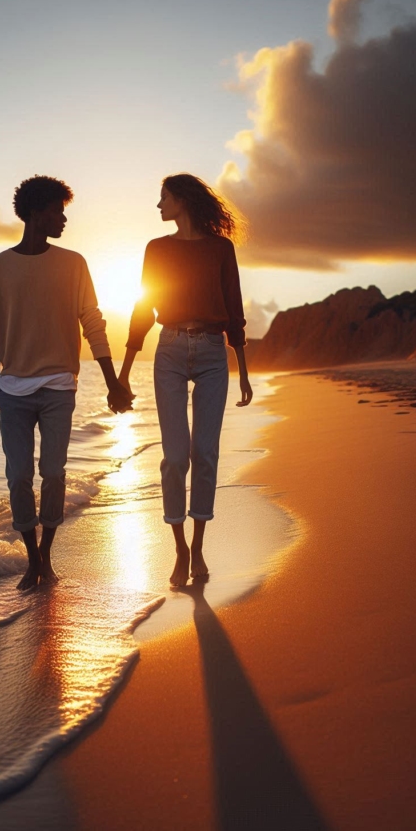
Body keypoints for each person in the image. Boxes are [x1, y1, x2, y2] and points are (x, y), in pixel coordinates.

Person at [0, 174, 132, 591]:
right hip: (13, 390)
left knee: (53, 472)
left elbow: (92, 321)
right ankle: (31, 559)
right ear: (34, 212)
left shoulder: (73, 263)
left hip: (60, 386)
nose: (63, 219)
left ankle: (47, 555)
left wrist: (111, 380)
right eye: (56, 211)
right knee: (17, 477)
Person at [118, 173, 252, 586]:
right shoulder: (156, 248)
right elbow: (143, 307)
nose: (159, 205)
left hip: (213, 352)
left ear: (183, 201)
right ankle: (178, 549)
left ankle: (198, 548)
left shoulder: (220, 249)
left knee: (205, 455)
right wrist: (122, 373)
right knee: (175, 457)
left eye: (164, 198)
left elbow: (234, 309)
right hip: (170, 350)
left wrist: (243, 371)